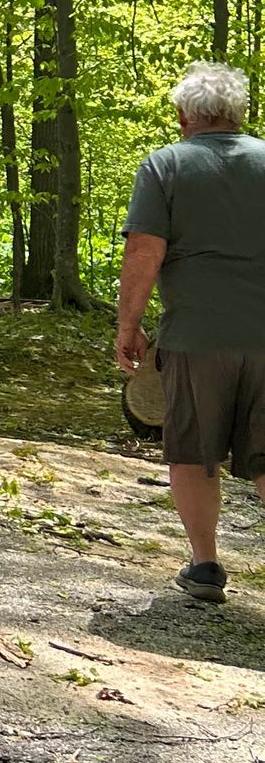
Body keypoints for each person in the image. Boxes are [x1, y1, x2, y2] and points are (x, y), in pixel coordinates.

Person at [115, 61, 265, 605]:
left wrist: (129, 326)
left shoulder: (166, 166)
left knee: (194, 454)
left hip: (196, 336)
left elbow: (144, 251)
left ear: (183, 117)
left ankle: (205, 566)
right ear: (239, 114)